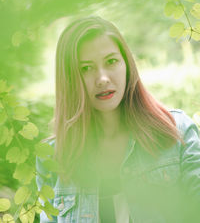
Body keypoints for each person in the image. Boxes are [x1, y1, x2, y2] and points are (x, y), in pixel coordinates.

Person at [36, 16, 200, 223]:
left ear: (127, 65)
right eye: (86, 68)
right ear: (69, 79)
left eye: (111, 61)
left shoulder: (177, 131)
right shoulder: (53, 158)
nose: (102, 78)